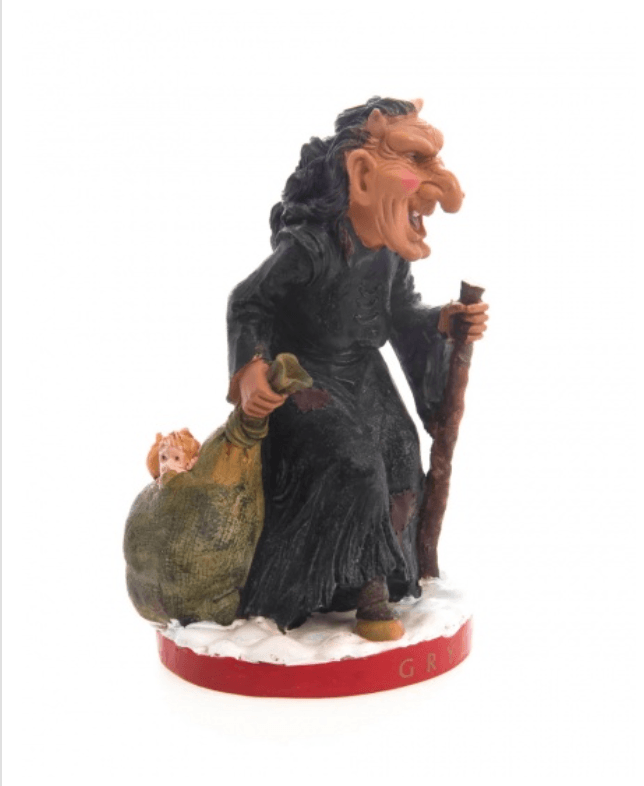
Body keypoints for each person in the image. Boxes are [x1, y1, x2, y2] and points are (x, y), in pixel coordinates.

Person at [227, 97, 488, 640]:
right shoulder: (311, 247)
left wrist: (443, 322)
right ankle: (366, 593)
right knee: (355, 462)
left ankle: (390, 575)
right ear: (363, 173)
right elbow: (249, 302)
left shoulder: (389, 248)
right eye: (415, 163)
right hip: (308, 377)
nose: (436, 184)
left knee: (400, 453)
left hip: (363, 372)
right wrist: (251, 368)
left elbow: (399, 313)